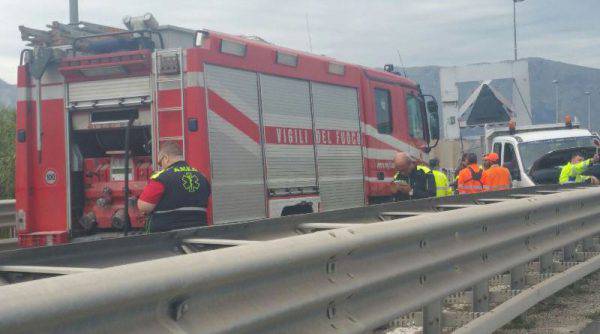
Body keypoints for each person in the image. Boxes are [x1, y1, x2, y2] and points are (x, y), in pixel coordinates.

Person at [138, 142, 211, 232]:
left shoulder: (161, 178)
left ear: (166, 158)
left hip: (167, 235)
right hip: (199, 231)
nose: (161, 166)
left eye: (160, 163)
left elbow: (143, 206)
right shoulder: (201, 176)